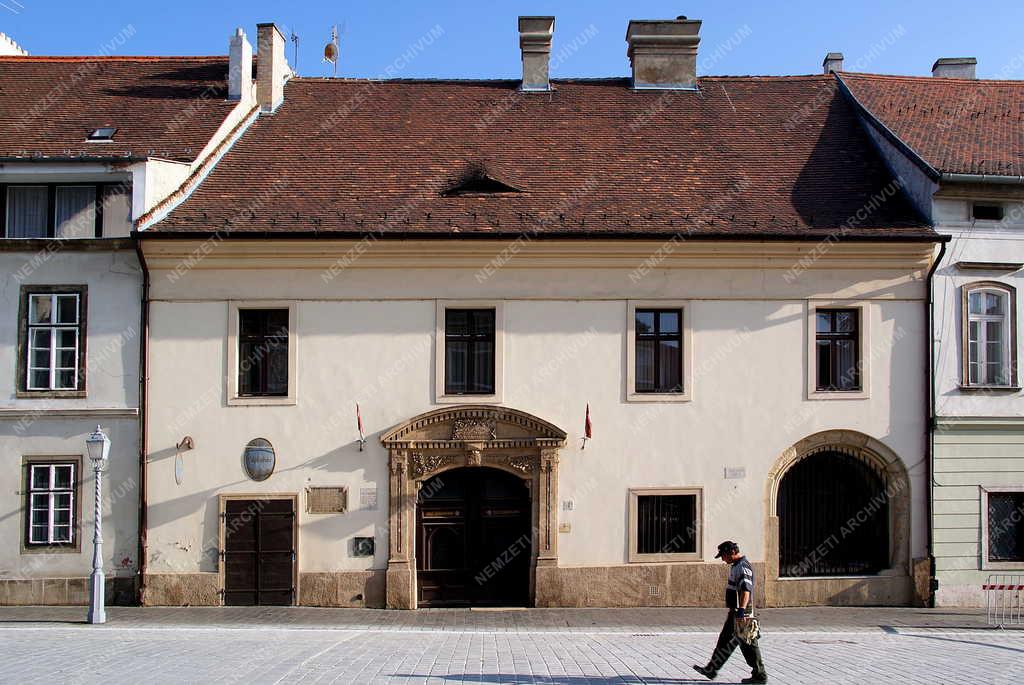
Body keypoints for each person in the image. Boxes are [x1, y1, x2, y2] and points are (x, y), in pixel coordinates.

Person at [693, 540, 768, 683]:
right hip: (735, 612)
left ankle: (760, 675)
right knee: (724, 640)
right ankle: (711, 669)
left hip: (743, 612)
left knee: (749, 644)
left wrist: (741, 611)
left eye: (723, 555)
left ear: (732, 552)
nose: (722, 559)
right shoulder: (736, 566)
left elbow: (746, 590)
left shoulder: (743, 567)